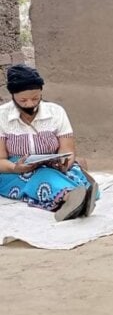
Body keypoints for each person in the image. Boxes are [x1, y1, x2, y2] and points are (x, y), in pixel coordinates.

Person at [0, 64, 96, 220]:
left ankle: (74, 201)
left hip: (53, 166)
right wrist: (16, 168)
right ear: (12, 95)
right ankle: (70, 198)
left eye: (35, 98)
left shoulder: (56, 112)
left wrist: (65, 162)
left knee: (72, 171)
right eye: (23, 100)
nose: (30, 104)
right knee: (42, 175)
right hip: (13, 172)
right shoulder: (2, 116)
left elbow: (68, 150)